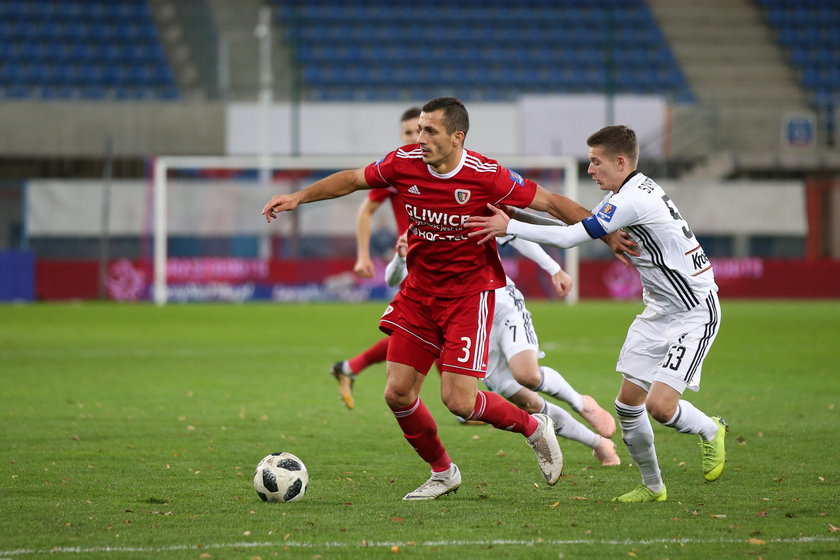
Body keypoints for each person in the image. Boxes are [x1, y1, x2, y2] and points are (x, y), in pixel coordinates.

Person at [262, 97, 637, 501]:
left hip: (468, 297)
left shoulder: (486, 175)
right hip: (419, 293)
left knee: (459, 401)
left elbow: (550, 203)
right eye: (419, 129)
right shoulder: (403, 162)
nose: (419, 138)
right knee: (397, 393)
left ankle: (534, 427)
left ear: (457, 137)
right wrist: (299, 196)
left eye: (429, 131)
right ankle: (443, 472)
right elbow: (353, 179)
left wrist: (605, 229)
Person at [466, 124, 727, 503]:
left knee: (660, 407)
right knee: (627, 406)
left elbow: (571, 237)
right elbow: (573, 223)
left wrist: (511, 225)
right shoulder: (629, 192)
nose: (590, 170)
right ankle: (652, 487)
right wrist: (522, 219)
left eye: (595, 161)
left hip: (694, 311)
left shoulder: (632, 199)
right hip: (657, 310)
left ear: (620, 162)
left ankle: (710, 430)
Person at [385, 231, 621, 466]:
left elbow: (516, 233)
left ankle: (581, 402)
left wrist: (553, 268)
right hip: (469, 324)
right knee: (530, 405)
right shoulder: (421, 226)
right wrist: (400, 256)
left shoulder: (464, 210)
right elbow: (392, 279)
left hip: (501, 306)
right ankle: (598, 443)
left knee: (527, 374)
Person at [331, 107, 421, 410]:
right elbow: (365, 210)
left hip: (438, 259)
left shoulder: (442, 167)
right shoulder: (397, 169)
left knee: (421, 334)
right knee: (425, 333)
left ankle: (350, 367)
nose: (413, 138)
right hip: (412, 261)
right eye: (407, 133)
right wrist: (362, 255)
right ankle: (463, 404)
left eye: (418, 131)